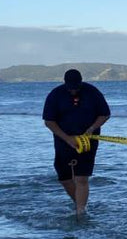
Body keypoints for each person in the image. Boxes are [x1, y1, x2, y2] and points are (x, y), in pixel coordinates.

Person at [42, 69, 111, 216]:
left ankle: (81, 211)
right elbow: (49, 121)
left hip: (88, 140)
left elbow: (105, 114)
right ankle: (79, 202)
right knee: (65, 178)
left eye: (76, 88)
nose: (74, 91)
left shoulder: (92, 92)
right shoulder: (55, 95)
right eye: (71, 88)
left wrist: (91, 129)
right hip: (63, 140)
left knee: (81, 178)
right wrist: (68, 139)